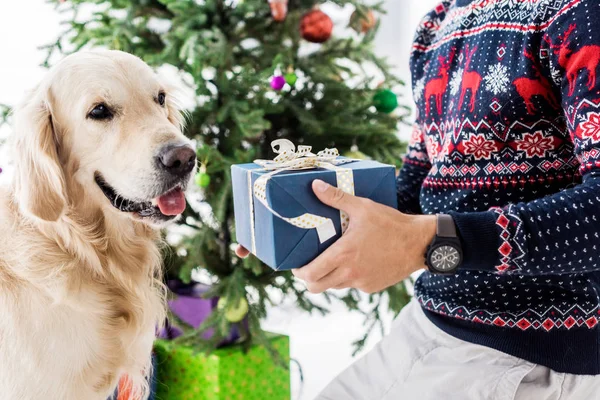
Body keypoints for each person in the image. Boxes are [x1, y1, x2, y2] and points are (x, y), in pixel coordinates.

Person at [238, 0, 600, 398]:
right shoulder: (439, 21)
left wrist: (425, 243)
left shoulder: (578, 13)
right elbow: (420, 179)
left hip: (525, 356)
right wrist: (297, 216)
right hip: (432, 322)